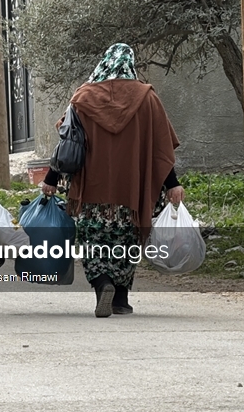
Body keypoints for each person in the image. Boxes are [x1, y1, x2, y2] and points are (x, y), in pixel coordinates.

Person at [40, 43, 184, 317]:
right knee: (125, 242)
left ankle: (102, 284)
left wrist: (51, 178)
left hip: (91, 191)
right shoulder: (147, 99)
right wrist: (172, 184)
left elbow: (67, 144)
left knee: (95, 241)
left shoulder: (82, 98)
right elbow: (160, 150)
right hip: (131, 192)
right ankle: (120, 299)